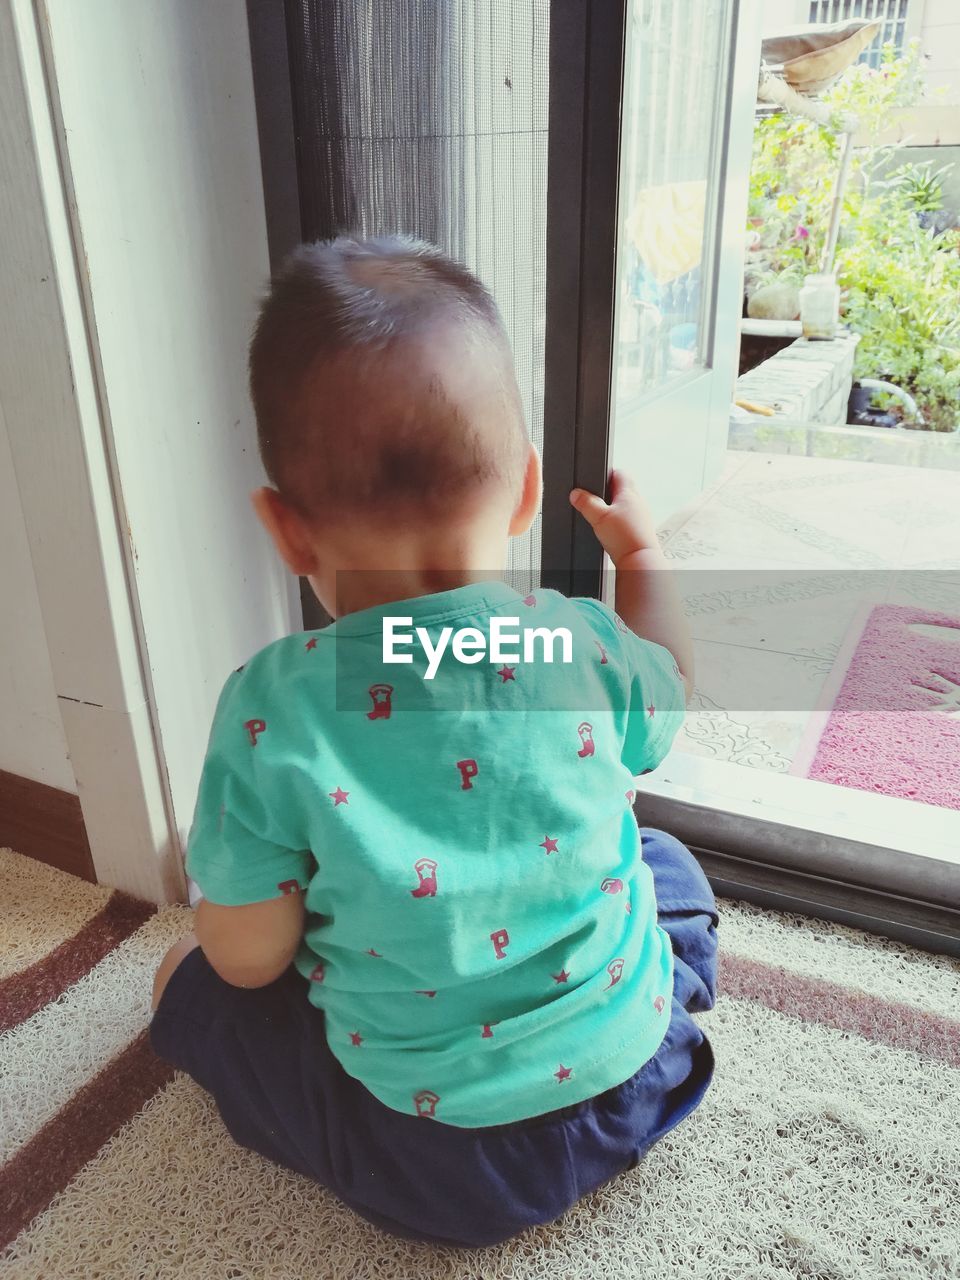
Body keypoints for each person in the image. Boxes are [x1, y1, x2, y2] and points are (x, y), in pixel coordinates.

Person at [150, 236, 718, 1248]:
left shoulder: (271, 708)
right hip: (641, 1070)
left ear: (284, 530)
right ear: (531, 488)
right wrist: (643, 553)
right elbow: (670, 683)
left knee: (192, 989)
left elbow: (249, 958)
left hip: (447, 1165)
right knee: (664, 864)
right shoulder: (576, 640)